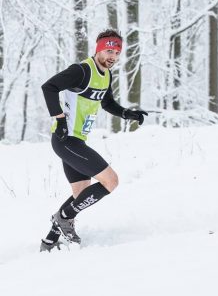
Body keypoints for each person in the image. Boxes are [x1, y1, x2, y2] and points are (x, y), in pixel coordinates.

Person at [40, 29, 148, 252]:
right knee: (111, 181)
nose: (113, 56)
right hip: (66, 139)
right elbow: (48, 87)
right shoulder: (81, 71)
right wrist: (59, 119)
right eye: (109, 50)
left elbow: (107, 103)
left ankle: (49, 241)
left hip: (77, 141)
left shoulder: (106, 75)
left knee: (81, 194)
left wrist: (128, 113)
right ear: (98, 50)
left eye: (117, 52)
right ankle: (64, 217)